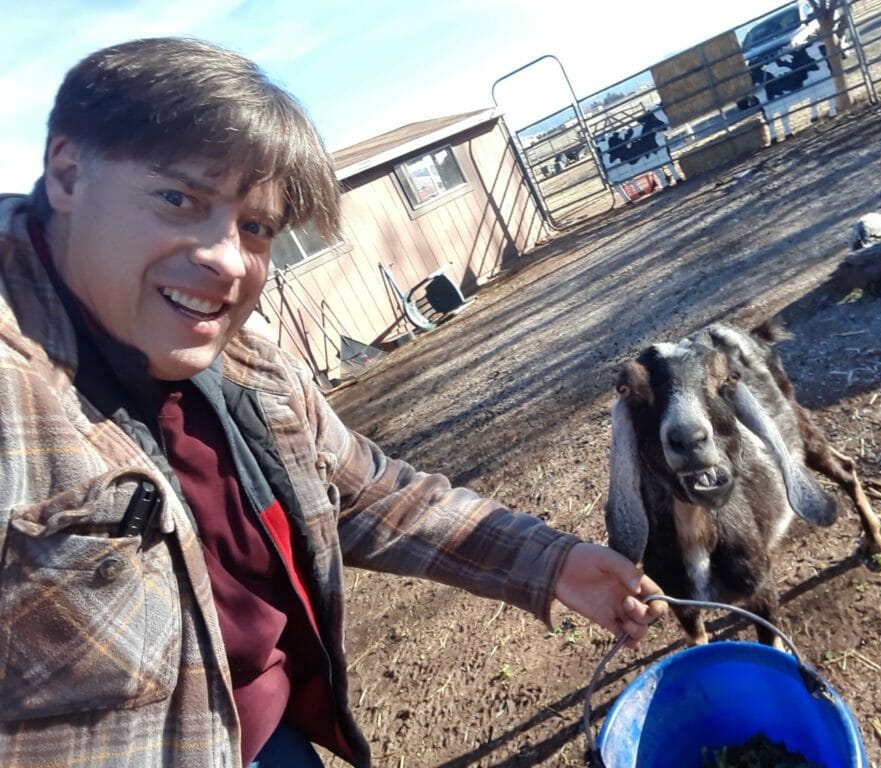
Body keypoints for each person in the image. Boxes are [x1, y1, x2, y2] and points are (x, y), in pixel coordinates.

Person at [0, 37, 666, 768]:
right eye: (178, 198)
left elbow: (368, 495)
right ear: (67, 173)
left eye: (255, 227)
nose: (226, 258)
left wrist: (551, 560)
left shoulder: (251, 368)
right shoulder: (18, 394)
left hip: (266, 730)